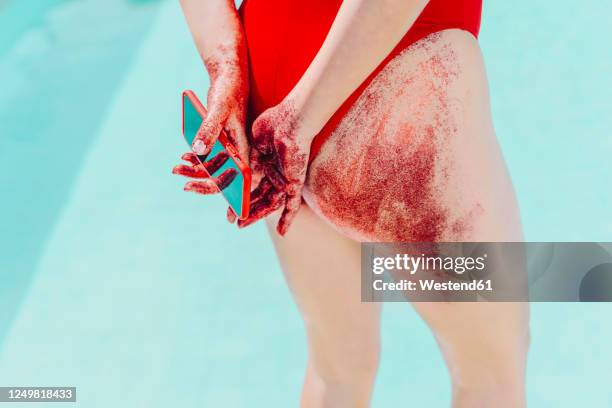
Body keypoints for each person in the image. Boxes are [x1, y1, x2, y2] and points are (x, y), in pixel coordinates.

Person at [173, 0, 530, 406]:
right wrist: (299, 123)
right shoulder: (297, 128)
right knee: (490, 375)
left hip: (270, 82)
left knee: (337, 372)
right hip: (399, 78)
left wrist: (227, 69)